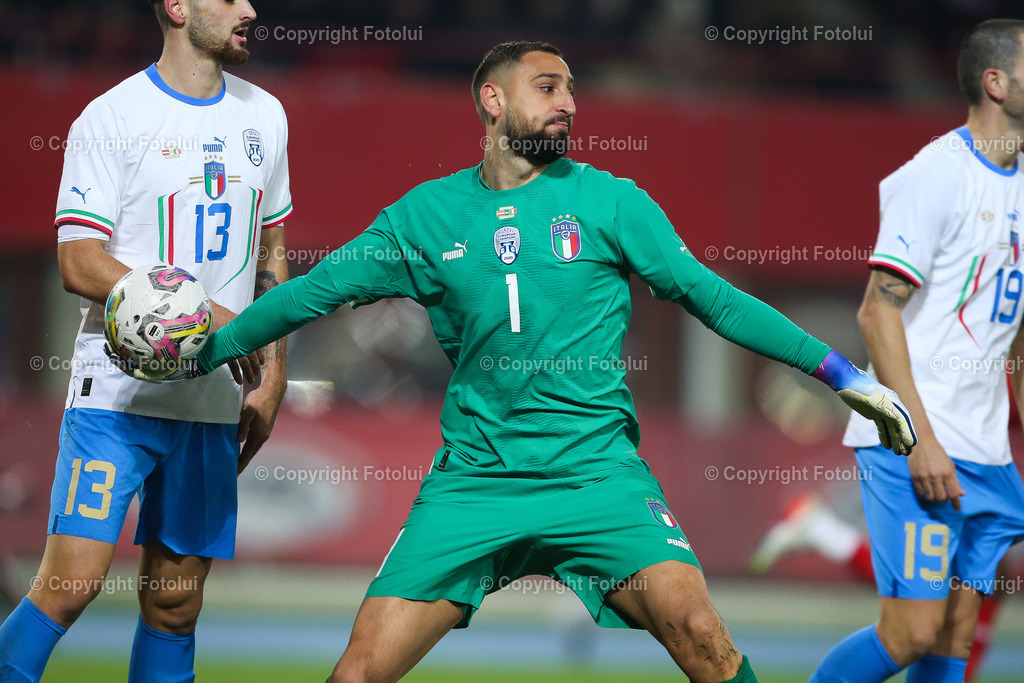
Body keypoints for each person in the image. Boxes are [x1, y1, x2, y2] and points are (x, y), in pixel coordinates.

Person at [143, 41, 915, 683]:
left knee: (702, 636)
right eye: (548, 87)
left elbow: (715, 299)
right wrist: (212, 347)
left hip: (596, 478)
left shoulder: (615, 202)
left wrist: (844, 378)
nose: (569, 103)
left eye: (573, 90)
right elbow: (311, 293)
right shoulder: (424, 217)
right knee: (357, 673)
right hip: (475, 485)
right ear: (491, 100)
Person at [0, 0, 291, 681]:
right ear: (177, 7)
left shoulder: (266, 116)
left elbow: (272, 250)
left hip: (213, 401)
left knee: (174, 606)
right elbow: (79, 261)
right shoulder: (112, 117)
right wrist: (212, 314)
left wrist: (273, 371)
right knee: (70, 585)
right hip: (116, 396)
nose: (249, 9)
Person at [807, 18, 1024, 683]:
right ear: (996, 82)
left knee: (956, 638)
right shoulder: (935, 175)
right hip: (915, 443)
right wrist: (919, 438)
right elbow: (876, 312)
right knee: (911, 630)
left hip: (986, 454)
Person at [750, 493, 1016, 682]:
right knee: (919, 618)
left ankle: (826, 533)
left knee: (956, 592)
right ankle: (824, 532)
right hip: (955, 456)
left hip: (975, 455)